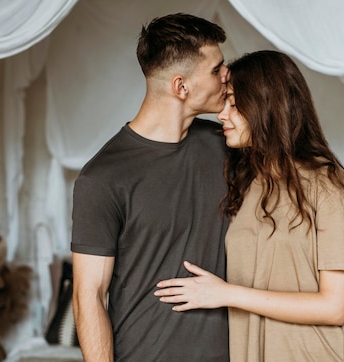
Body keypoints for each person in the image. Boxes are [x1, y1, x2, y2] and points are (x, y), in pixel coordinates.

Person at [155, 50, 344, 361]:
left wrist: (225, 293)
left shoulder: (327, 186)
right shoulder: (248, 183)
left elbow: (336, 307)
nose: (222, 114)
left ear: (264, 106)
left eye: (233, 102)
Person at [70, 13, 231, 362]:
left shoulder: (228, 145)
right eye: (217, 69)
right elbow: (90, 296)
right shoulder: (102, 177)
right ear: (181, 86)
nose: (227, 76)